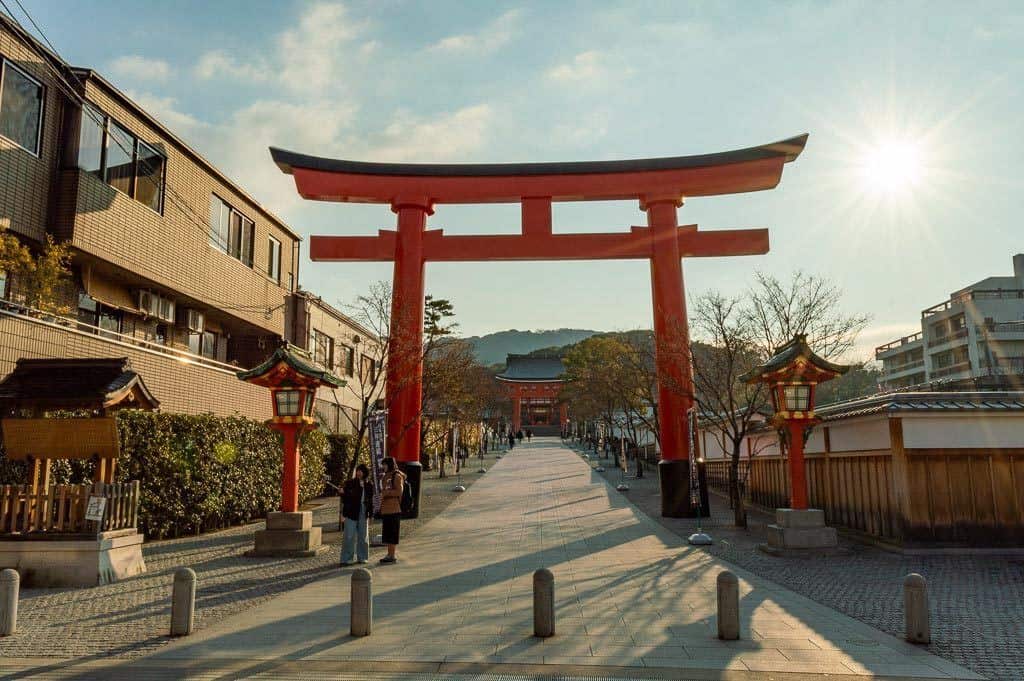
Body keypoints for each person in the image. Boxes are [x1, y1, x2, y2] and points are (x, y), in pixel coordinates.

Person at [340, 464, 373, 566]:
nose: (359, 473)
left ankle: (362, 557)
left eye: (361, 471)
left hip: (364, 511)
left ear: (365, 472)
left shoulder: (369, 484)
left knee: (363, 536)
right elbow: (345, 499)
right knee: (349, 536)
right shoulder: (350, 483)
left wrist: (371, 514)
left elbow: (370, 500)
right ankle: (346, 559)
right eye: (358, 471)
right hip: (351, 511)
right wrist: (342, 493)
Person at [379, 457, 406, 564]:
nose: (383, 466)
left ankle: (392, 554)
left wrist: (386, 493)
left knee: (393, 532)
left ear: (389, 464)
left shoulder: (397, 475)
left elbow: (399, 492)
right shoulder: (385, 476)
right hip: (386, 508)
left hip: (394, 508)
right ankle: (389, 554)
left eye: (384, 464)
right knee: (387, 533)